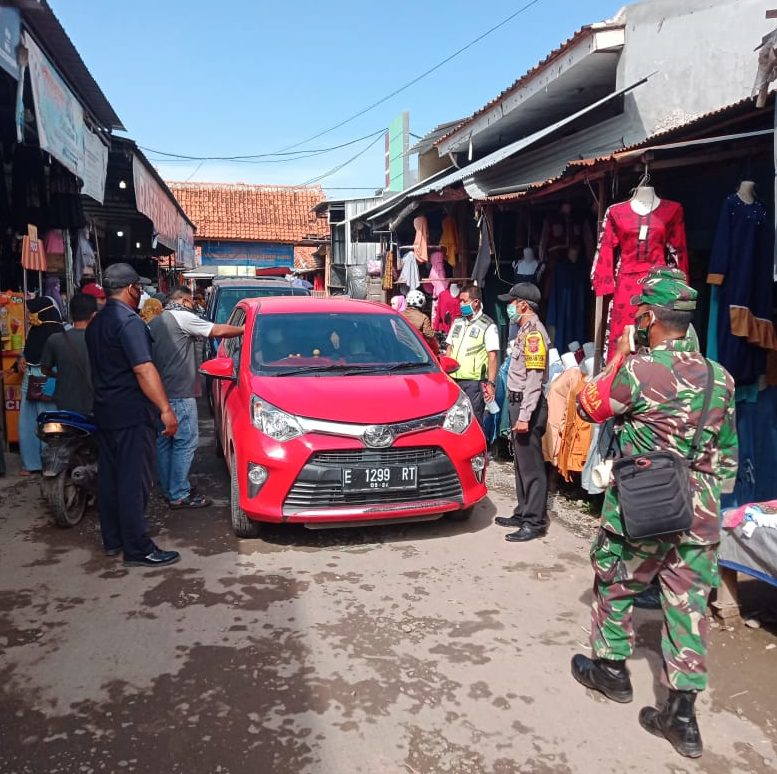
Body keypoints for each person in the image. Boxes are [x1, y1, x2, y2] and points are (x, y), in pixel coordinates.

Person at [570, 273, 737, 759]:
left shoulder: (639, 370)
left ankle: (611, 672)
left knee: (616, 583)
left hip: (641, 506)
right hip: (700, 510)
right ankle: (681, 719)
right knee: (687, 606)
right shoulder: (720, 377)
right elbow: (726, 457)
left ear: (647, 319)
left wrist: (622, 355)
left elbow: (589, 406)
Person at [86, 263, 180, 568]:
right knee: (133, 481)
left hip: (105, 410)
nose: (141, 292)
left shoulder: (97, 322)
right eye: (139, 288)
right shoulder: (129, 323)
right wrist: (166, 409)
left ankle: (113, 540)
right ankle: (137, 548)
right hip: (131, 413)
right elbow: (143, 367)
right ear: (131, 289)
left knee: (111, 479)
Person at [150, 285, 244, 509]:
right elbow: (218, 331)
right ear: (183, 301)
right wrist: (244, 329)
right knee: (186, 442)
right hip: (179, 393)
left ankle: (169, 489)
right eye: (191, 302)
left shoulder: (155, 322)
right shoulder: (182, 317)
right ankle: (180, 493)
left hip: (158, 394)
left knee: (164, 443)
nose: (194, 306)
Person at [493, 283, 551, 542]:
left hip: (529, 405)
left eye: (512, 302)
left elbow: (534, 380)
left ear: (523, 305)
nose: (510, 307)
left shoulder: (534, 334)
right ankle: (522, 511)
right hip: (518, 403)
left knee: (532, 467)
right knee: (521, 464)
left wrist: (525, 415)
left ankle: (534, 521)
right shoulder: (523, 331)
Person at [17, 298, 64, 475]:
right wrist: (21, 358)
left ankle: (41, 463)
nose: (29, 315)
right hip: (38, 382)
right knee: (35, 423)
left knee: (43, 423)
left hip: (42, 383)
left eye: (32, 311)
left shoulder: (55, 331)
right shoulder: (39, 331)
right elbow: (27, 351)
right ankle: (37, 463)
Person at [445, 284, 499, 429]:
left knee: (473, 420)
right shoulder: (458, 322)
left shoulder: (488, 325)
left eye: (464, 301)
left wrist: (491, 383)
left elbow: (492, 356)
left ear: (476, 302)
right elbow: (449, 347)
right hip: (453, 380)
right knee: (452, 420)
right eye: (460, 301)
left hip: (473, 383)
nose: (461, 304)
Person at [41, 293, 97, 415]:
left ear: (71, 314)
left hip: (64, 405)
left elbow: (45, 370)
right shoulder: (101, 340)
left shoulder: (55, 339)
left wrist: (60, 373)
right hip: (94, 406)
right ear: (94, 315)